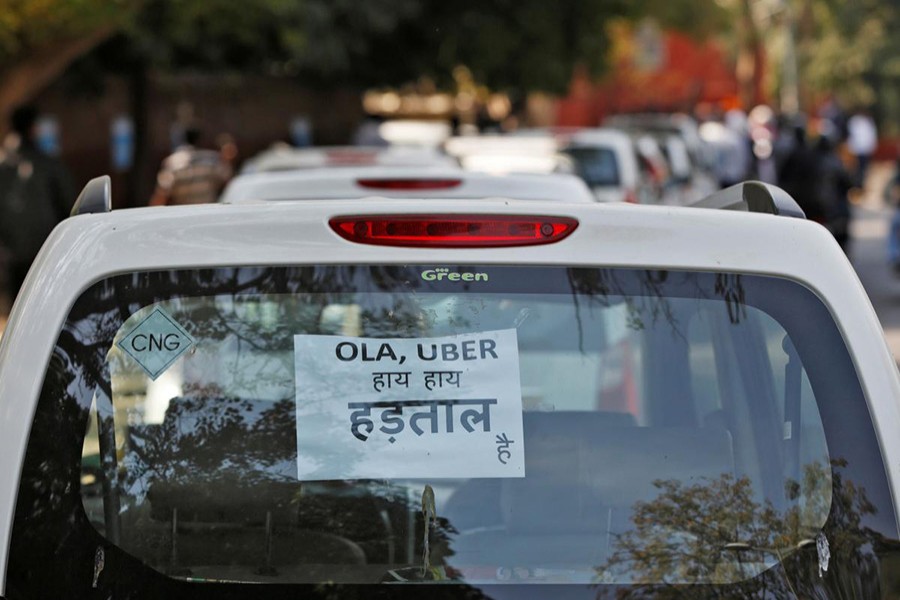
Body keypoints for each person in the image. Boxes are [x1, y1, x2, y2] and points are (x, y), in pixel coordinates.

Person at [0, 105, 75, 300]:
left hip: (12, 251)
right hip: (45, 248)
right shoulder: (48, 164)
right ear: (34, 128)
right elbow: (69, 206)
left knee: (18, 307)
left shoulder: (3, 164)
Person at [150, 126, 231, 206]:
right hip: (209, 211)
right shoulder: (213, 161)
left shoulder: (173, 163)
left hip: (183, 213)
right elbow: (228, 183)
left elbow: (162, 194)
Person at [847, 108, 878, 190]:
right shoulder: (854, 121)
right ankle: (856, 185)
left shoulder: (868, 121)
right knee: (856, 169)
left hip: (865, 150)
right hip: (856, 150)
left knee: (864, 169)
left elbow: (871, 136)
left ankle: (861, 185)